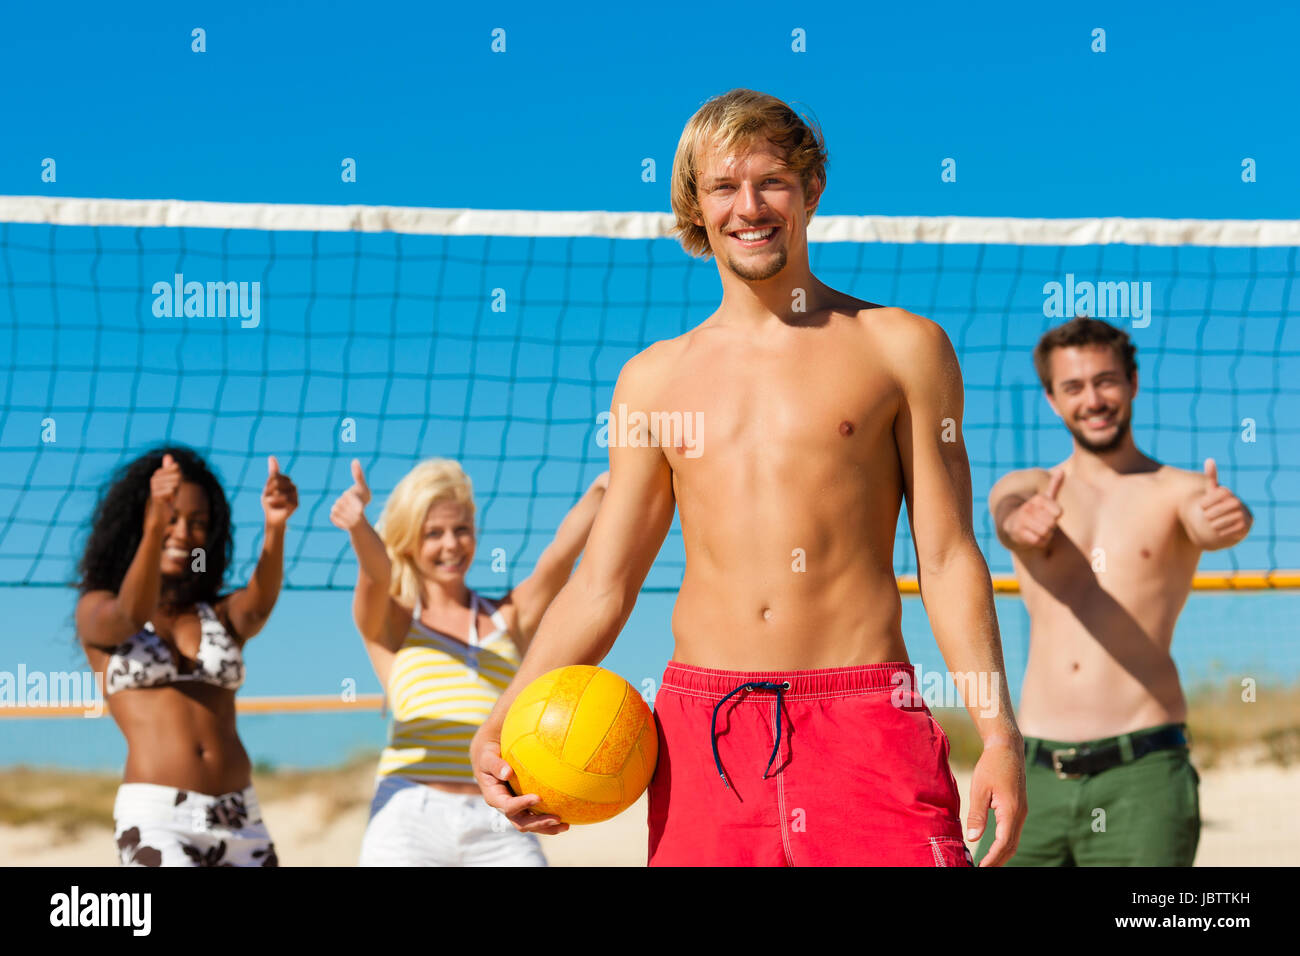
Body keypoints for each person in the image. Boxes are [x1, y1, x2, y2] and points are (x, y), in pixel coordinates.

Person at [470, 88, 1027, 866]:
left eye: (771, 181)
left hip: (865, 713)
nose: (749, 206)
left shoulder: (902, 348)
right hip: (703, 729)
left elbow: (947, 557)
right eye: (723, 187)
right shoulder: (651, 381)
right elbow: (604, 582)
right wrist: (506, 714)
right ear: (695, 207)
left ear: (811, 190)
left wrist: (999, 734)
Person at [977, 316, 1252, 866]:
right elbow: (1008, 515)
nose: (1093, 399)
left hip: (1143, 773)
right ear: (1053, 401)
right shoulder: (1028, 487)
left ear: (1133, 382)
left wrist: (1228, 519)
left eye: (1106, 381)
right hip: (1033, 774)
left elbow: (1209, 519)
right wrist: (1022, 522)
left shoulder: (1181, 490)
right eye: (1073, 387)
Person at [330, 457, 607, 866]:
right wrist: (358, 525)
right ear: (408, 541)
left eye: (461, 530)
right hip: (409, 811)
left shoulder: (508, 617)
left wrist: (604, 486)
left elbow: (559, 558)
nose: (451, 544)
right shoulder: (394, 622)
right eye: (433, 533)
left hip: (496, 813)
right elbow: (377, 575)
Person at [76, 446, 297, 867]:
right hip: (158, 818)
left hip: (240, 818)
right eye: (170, 518)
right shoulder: (97, 610)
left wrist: (275, 527)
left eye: (197, 524)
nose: (182, 533)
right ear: (136, 522)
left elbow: (258, 605)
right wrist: (153, 525)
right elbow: (130, 613)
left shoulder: (218, 614)